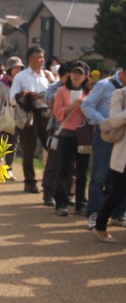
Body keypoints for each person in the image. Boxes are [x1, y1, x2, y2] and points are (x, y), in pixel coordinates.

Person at [81, 65, 126, 229]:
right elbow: (86, 105)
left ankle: (118, 214)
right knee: (99, 177)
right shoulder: (104, 85)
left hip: (123, 140)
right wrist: (102, 122)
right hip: (106, 136)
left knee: (120, 179)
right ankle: (93, 213)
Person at [52, 61, 91, 216]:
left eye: (80, 73)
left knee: (82, 171)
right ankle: (61, 203)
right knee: (63, 169)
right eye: (75, 72)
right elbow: (58, 112)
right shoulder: (62, 91)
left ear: (85, 76)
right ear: (70, 74)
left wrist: (85, 106)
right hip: (67, 133)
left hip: (84, 134)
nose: (77, 76)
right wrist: (73, 105)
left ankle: (81, 203)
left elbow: (93, 113)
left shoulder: (89, 93)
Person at [10, 46, 50, 193]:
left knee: (51, 147)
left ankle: (49, 181)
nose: (42, 60)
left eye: (43, 57)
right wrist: (27, 96)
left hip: (45, 114)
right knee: (29, 150)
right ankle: (30, 181)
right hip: (28, 116)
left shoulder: (45, 76)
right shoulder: (21, 77)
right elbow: (12, 98)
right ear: (30, 59)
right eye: (39, 57)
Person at [94, 86, 126, 243]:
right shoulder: (121, 93)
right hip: (123, 155)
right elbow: (113, 120)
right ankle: (100, 226)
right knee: (118, 193)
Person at [41, 63, 72, 206]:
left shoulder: (81, 89)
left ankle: (67, 193)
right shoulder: (55, 87)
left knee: (71, 165)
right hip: (56, 129)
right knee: (53, 162)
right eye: (69, 76)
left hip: (74, 130)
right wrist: (64, 93)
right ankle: (48, 193)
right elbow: (49, 100)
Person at [0, 56, 25, 178]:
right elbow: (8, 96)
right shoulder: (1, 82)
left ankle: (8, 169)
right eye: (15, 68)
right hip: (3, 118)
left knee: (13, 144)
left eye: (19, 68)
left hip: (16, 118)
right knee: (0, 144)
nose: (17, 70)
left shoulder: (21, 83)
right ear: (10, 69)